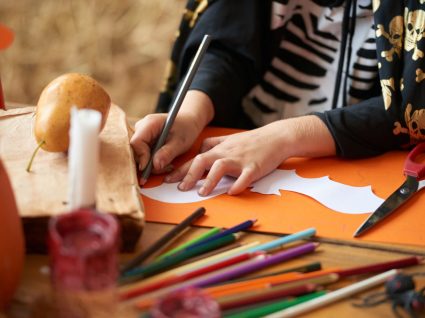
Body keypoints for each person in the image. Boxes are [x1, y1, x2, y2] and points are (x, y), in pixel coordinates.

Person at [131, 0, 425, 196]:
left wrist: (286, 136)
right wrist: (190, 114)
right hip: (237, 140)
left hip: (364, 162)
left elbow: (414, 103)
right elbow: (230, 43)